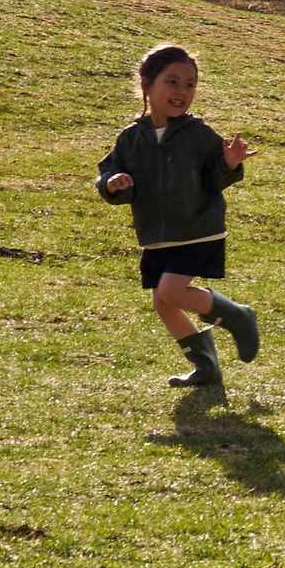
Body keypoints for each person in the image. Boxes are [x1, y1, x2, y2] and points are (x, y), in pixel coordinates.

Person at [96, 43, 260, 394]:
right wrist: (112, 183)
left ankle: (236, 315)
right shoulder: (130, 138)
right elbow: (110, 175)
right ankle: (205, 365)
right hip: (156, 236)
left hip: (198, 230)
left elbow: (215, 178)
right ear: (146, 84)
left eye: (190, 84)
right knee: (163, 302)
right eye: (172, 82)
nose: (182, 91)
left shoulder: (199, 134)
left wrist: (229, 163)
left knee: (171, 291)